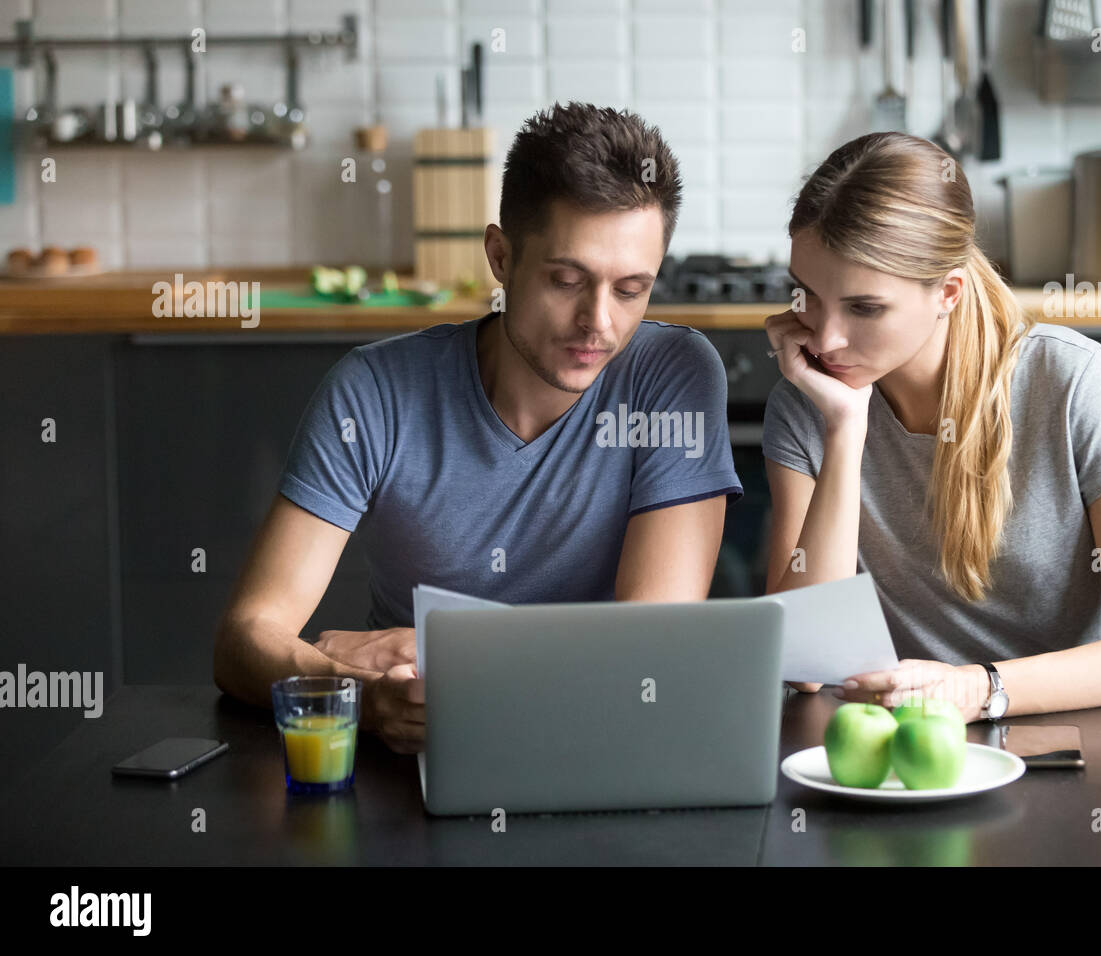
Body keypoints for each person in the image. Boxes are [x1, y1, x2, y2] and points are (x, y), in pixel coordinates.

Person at [215, 103, 742, 753]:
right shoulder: (375, 390)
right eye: (566, 280)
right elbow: (245, 639)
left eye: (631, 288)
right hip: (418, 757)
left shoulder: (674, 376)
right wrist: (360, 695)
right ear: (500, 256)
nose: (597, 323)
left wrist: (445, 649)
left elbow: (652, 654)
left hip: (602, 748)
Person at [762, 131, 1101, 722]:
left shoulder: (1063, 378)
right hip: (906, 747)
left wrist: (976, 689)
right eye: (808, 296)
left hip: (1078, 740)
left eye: (864, 307)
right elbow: (802, 664)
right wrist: (844, 429)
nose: (826, 337)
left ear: (946, 292)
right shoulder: (810, 402)